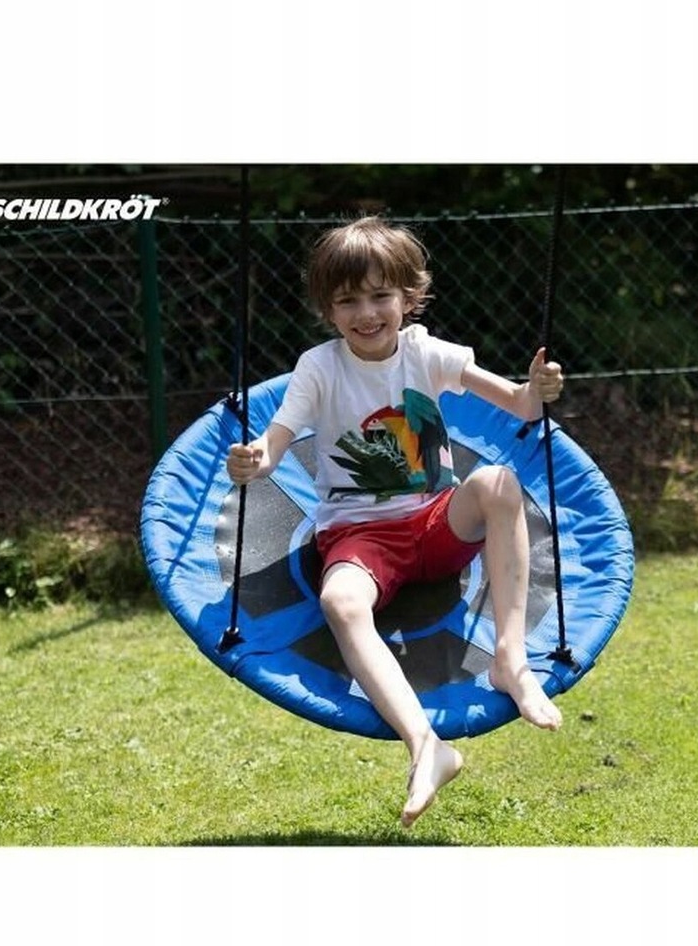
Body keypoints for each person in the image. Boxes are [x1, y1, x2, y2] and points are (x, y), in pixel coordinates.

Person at [226, 216, 565, 828]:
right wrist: (255, 459)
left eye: (380, 295)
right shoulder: (320, 367)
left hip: (434, 522)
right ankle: (426, 746)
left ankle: (509, 659)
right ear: (327, 310)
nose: (366, 313)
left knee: (498, 482)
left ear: (409, 297)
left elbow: (520, 405)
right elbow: (276, 442)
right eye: (347, 301)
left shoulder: (427, 353)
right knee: (340, 601)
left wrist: (537, 388)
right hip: (358, 536)